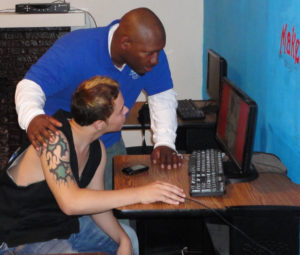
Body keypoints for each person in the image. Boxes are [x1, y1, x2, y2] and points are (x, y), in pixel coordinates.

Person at [0, 76, 186, 255]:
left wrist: (123, 239)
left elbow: (98, 206)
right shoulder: (54, 140)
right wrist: (140, 194)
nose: (127, 110)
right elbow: (71, 203)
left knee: (129, 236)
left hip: (63, 227)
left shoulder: (97, 149)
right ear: (99, 124)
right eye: (120, 110)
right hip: (22, 233)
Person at [15, 7, 182, 189]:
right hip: (61, 146)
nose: (155, 60)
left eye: (158, 52)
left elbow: (162, 97)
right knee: (70, 211)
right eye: (149, 53)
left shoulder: (150, 52)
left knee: (119, 206)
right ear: (125, 44)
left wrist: (165, 142)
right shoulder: (74, 50)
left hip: (108, 142)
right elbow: (30, 86)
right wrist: (32, 116)